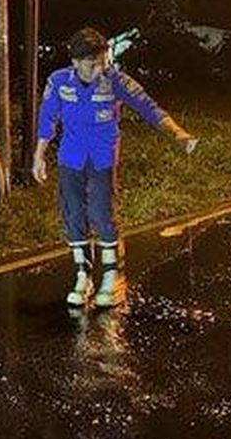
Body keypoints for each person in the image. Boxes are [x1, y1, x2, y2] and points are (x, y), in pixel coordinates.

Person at [31, 27, 197, 308]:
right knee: (73, 215)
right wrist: (39, 156)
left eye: (103, 61)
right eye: (93, 63)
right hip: (70, 158)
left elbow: (148, 107)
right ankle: (83, 275)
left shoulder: (116, 81)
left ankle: (111, 276)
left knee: (101, 212)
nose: (100, 68)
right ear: (76, 61)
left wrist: (178, 134)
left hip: (102, 159)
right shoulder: (59, 82)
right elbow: (48, 118)